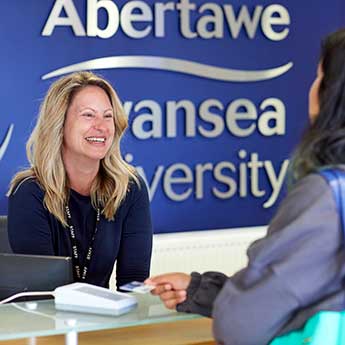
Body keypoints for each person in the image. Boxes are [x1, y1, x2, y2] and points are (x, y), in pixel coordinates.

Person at [145, 29, 345, 344]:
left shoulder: (326, 196)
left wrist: (227, 303)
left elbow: (243, 323)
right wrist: (201, 290)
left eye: (319, 76)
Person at [7, 71, 152, 289]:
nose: (101, 126)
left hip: (106, 319)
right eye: (88, 115)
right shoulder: (29, 193)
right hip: (47, 319)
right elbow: (40, 293)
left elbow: (133, 285)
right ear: (60, 123)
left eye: (108, 116)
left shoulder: (130, 189)